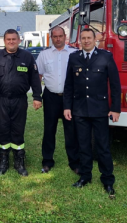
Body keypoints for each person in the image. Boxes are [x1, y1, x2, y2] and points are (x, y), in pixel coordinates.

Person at [63, 28, 121, 198]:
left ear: (96, 39)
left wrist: (116, 108)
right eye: (83, 38)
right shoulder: (74, 57)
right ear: (79, 40)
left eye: (89, 38)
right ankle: (85, 176)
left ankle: (108, 180)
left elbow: (115, 85)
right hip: (80, 109)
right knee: (83, 145)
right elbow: (69, 85)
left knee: (103, 147)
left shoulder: (105, 57)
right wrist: (67, 107)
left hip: (100, 110)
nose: (86, 41)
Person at [0, 29, 42, 176]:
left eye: (14, 39)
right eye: (8, 39)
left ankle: (19, 162)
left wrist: (37, 97)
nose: (11, 42)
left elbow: (35, 79)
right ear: (4, 41)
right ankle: (3, 161)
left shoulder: (27, 57)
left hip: (20, 99)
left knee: (18, 128)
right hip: (1, 99)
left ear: (19, 40)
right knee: (3, 129)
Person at [35, 26, 80, 174]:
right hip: (51, 97)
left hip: (69, 98)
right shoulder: (44, 55)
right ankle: (47, 161)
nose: (58, 39)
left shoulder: (74, 53)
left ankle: (74, 162)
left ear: (65, 36)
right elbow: (39, 76)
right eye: (55, 36)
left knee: (71, 131)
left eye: (60, 36)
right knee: (49, 130)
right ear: (51, 37)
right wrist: (37, 96)